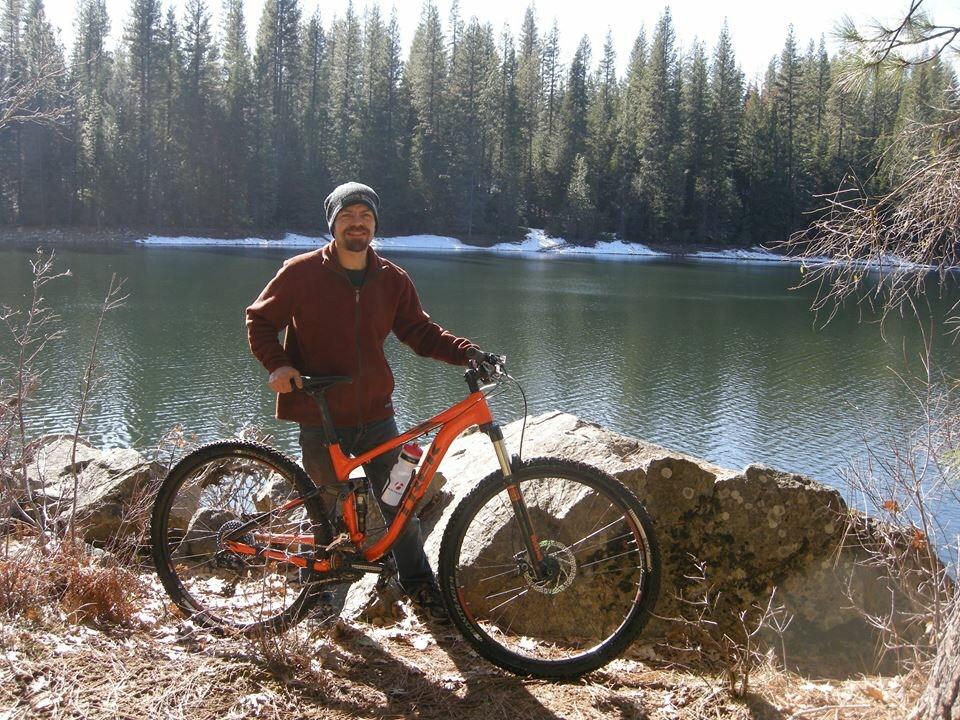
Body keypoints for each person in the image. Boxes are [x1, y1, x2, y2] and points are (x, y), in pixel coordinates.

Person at [246, 181, 489, 624]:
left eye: (365, 217)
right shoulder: (300, 272)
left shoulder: (391, 279)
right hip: (320, 414)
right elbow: (260, 321)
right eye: (347, 217)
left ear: (375, 224)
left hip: (377, 415)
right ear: (333, 224)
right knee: (330, 511)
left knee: (401, 504)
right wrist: (278, 365)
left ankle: (417, 584)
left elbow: (420, 332)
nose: (356, 224)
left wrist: (466, 352)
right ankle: (323, 598)